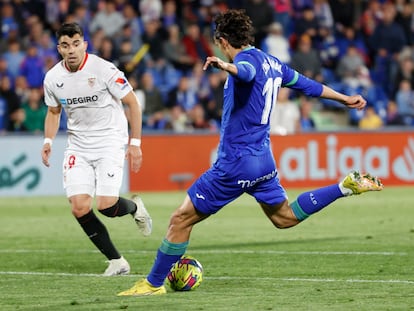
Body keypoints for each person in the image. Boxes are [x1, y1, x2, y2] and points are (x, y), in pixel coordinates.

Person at [118, 9, 383, 296]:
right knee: (284, 217)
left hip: (236, 163)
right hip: (263, 161)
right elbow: (309, 86)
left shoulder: (244, 61)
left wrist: (226, 66)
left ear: (222, 40)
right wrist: (344, 98)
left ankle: (153, 284)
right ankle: (344, 187)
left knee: (180, 219)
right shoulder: (273, 62)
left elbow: (246, 73)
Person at [40, 22, 152, 276]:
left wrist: (135, 144)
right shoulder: (53, 78)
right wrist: (47, 141)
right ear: (59, 48)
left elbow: (133, 105)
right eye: (66, 45)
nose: (71, 50)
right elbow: (54, 112)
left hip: (110, 141)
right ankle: (117, 261)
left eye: (76, 44)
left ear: (84, 45)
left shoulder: (104, 70)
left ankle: (135, 208)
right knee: (79, 207)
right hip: (78, 145)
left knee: (106, 205)